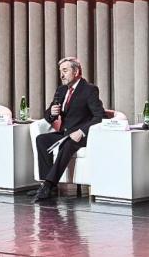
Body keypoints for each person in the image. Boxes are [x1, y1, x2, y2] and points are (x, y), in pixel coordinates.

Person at [33, 57, 105, 202]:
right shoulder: (61, 90)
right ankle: (47, 185)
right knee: (42, 140)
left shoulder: (89, 90)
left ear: (76, 71)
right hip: (65, 133)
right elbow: (48, 116)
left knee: (67, 144)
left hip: (81, 136)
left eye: (65, 71)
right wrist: (51, 113)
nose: (61, 75)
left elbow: (99, 116)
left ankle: (49, 185)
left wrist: (82, 131)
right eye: (60, 71)